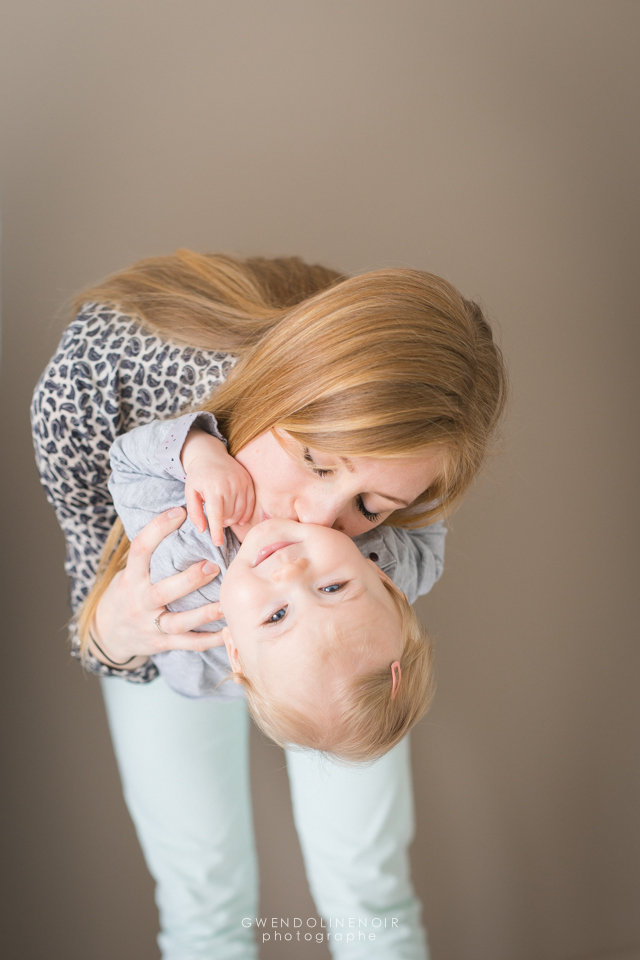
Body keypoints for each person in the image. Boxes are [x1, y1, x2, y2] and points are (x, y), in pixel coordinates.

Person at [31, 251, 506, 959]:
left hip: (338, 668)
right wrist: (123, 628)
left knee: (367, 882)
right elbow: (89, 597)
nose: (314, 521)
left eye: (370, 505)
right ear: (284, 382)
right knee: (202, 890)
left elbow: (410, 557)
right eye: (316, 461)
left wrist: (351, 597)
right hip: (167, 648)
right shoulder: (101, 382)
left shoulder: (380, 514)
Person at [81, 410, 434, 761]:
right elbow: (429, 536)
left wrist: (194, 450)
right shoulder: (391, 561)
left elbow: (126, 463)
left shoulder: (180, 554)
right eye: (332, 588)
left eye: (277, 614)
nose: (290, 573)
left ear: (234, 649)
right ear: (384, 580)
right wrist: (206, 455)